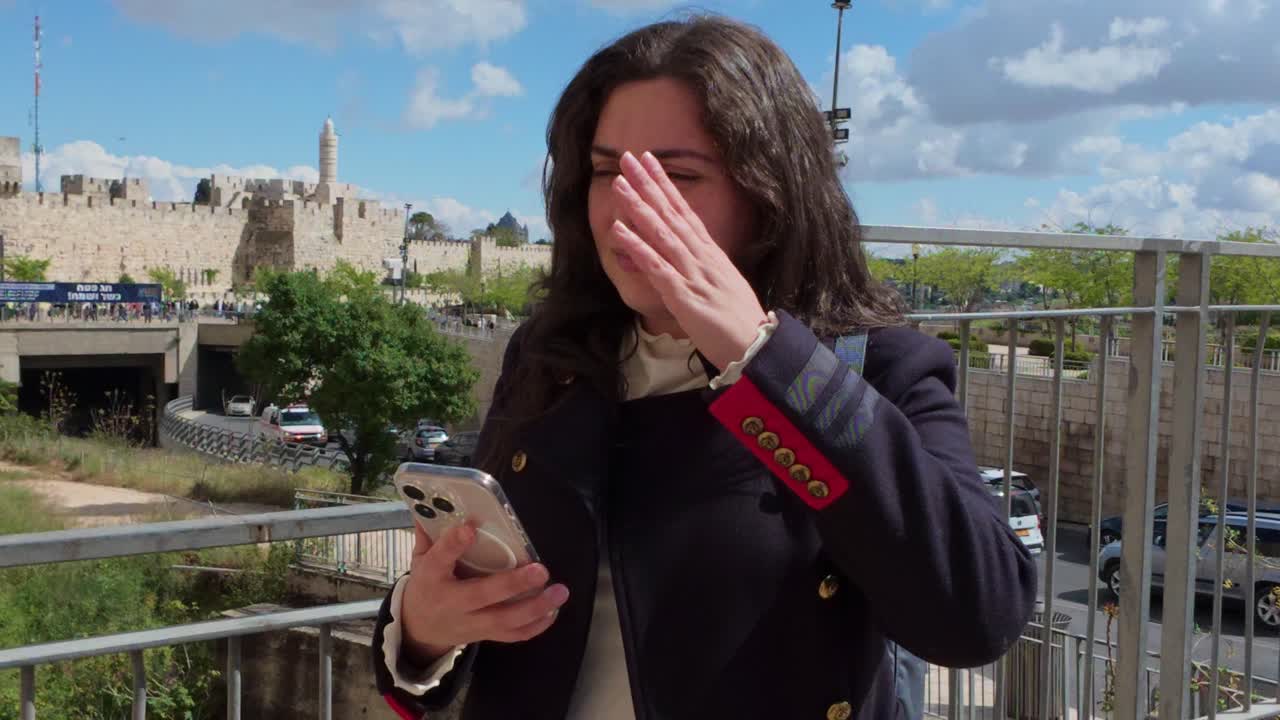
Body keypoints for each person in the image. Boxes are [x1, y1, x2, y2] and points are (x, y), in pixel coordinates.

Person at [372, 14, 1036, 720]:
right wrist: (422, 625)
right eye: (606, 172)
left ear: (770, 194)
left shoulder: (875, 369)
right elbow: (477, 610)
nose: (629, 209)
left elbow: (978, 614)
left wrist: (764, 357)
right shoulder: (552, 357)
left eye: (676, 176)